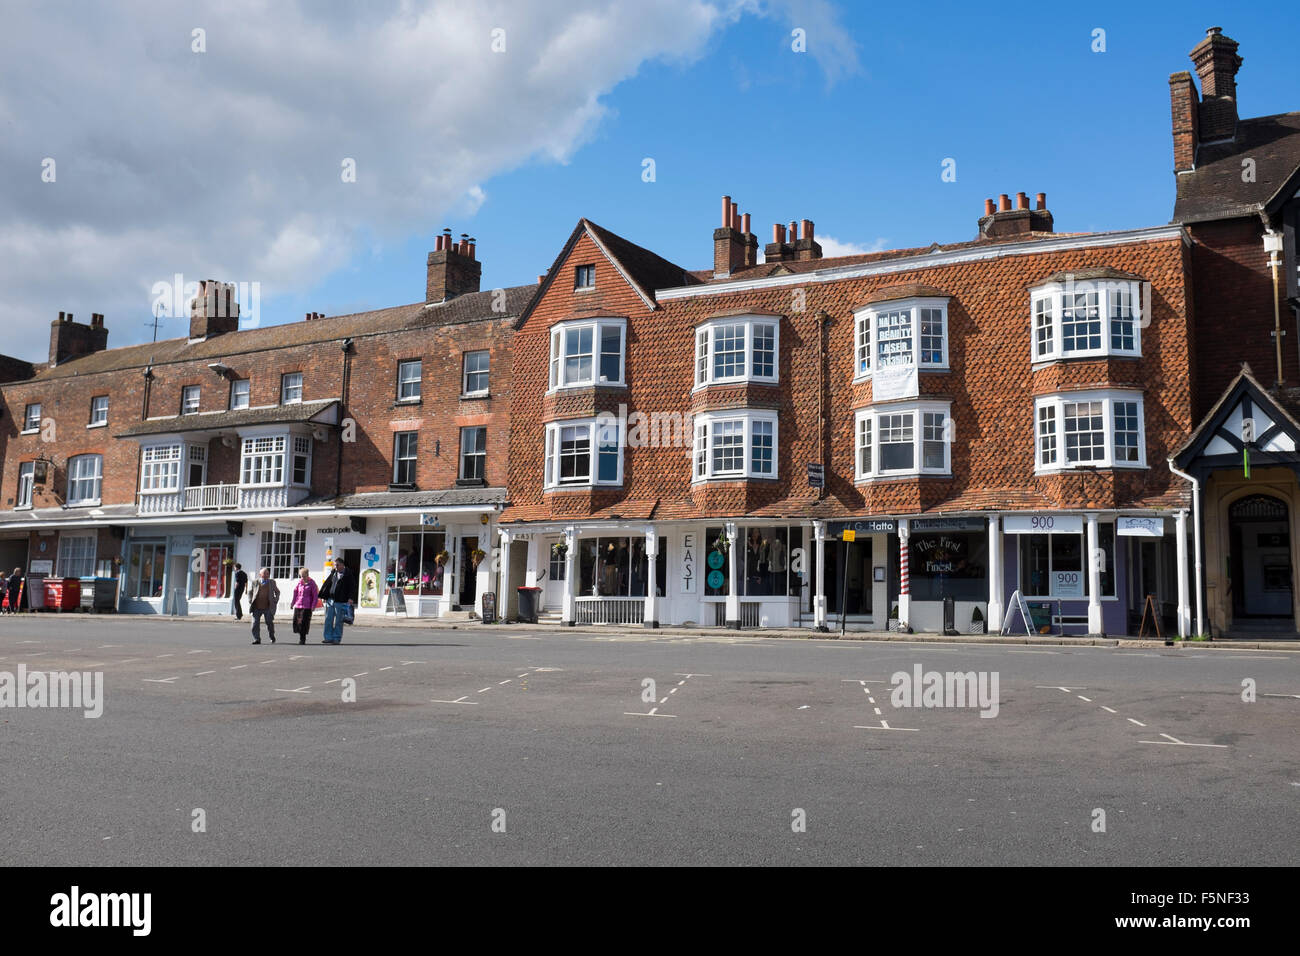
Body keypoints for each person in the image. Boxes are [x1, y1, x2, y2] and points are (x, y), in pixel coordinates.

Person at [319, 560, 358, 644]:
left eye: (337, 565)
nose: (336, 566)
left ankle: (336, 638)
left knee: (339, 621)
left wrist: (351, 598)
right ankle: (328, 638)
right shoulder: (333, 573)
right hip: (331, 599)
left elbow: (353, 587)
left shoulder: (348, 574)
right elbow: (327, 584)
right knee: (328, 619)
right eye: (335, 565)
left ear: (342, 565)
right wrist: (325, 596)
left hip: (341, 600)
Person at [247, 567, 279, 645]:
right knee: (254, 624)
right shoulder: (255, 582)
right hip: (256, 607)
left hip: (268, 607)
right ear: (260, 574)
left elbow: (277, 592)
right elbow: (250, 592)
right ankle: (257, 639)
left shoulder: (272, 582)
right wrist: (250, 600)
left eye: (267, 573)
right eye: (264, 573)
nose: (266, 575)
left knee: (269, 623)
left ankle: (272, 636)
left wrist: (275, 600)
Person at [291, 567, 318, 645]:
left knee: (304, 622)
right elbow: (295, 593)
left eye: (303, 576)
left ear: (307, 575)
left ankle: (302, 638)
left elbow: (315, 596)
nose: (302, 577)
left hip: (307, 606)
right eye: (301, 576)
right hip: (298, 605)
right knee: (296, 622)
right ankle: (301, 635)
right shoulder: (299, 583)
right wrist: (293, 603)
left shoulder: (312, 583)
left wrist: (313, 606)